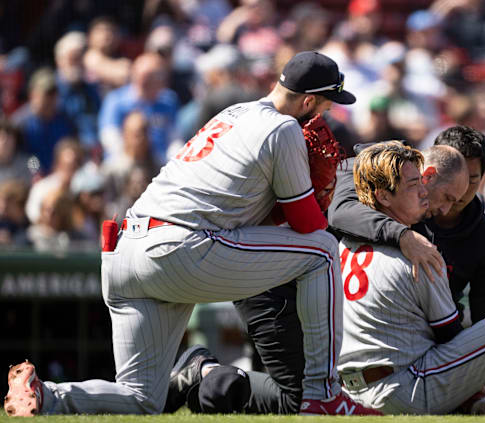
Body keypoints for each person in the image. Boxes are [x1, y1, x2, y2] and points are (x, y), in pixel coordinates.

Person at [3, 50, 379, 417]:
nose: (328, 116)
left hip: (125, 250)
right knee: (324, 249)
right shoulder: (282, 128)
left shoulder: (235, 112)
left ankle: (47, 395)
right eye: (327, 106)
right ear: (309, 101)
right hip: (181, 247)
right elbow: (307, 225)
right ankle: (323, 394)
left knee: (141, 398)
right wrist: (322, 195)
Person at [168, 126, 485, 414]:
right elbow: (342, 212)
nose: (453, 202)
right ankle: (206, 372)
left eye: (472, 183)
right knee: (302, 399)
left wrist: (481, 388)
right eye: (451, 187)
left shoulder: (475, 233)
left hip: (316, 289)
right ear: (427, 169)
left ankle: (206, 386)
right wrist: (403, 236)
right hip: (276, 279)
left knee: (309, 396)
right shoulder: (373, 166)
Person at [338, 141, 485, 414]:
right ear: (384, 197)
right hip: (403, 388)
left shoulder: (340, 244)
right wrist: (473, 384)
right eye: (413, 185)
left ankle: (474, 404)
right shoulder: (420, 253)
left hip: (346, 392)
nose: (423, 191)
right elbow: (448, 335)